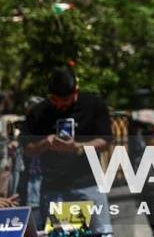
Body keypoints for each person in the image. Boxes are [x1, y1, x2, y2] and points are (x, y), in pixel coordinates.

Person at [23, 69, 114, 235]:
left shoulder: (93, 106)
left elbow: (105, 141)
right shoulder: (39, 112)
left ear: (76, 92)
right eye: (54, 100)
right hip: (54, 188)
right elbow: (27, 149)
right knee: (62, 234)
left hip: (89, 184)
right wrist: (45, 142)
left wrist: (77, 147)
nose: (59, 104)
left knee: (100, 233)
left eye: (65, 100)